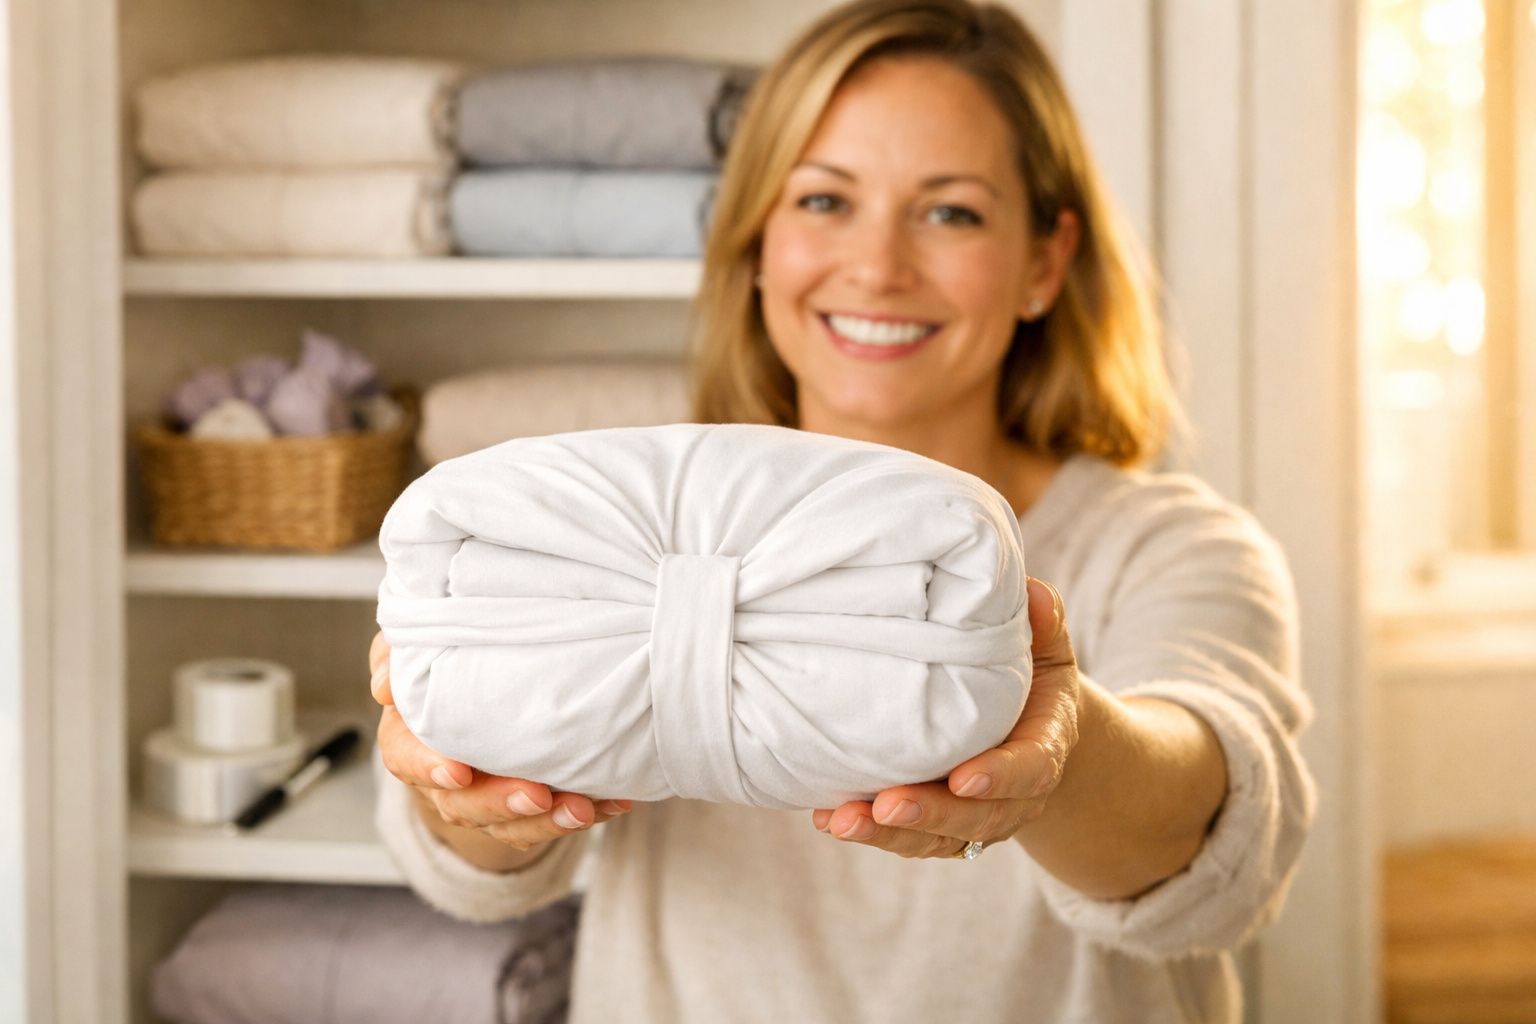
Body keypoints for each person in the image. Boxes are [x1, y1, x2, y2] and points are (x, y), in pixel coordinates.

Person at [368, 1, 1316, 1020]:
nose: (877, 267)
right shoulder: (632, 528)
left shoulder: (1167, 546)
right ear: (756, 240)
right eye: (825, 200)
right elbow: (463, 861)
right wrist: (471, 796)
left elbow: (1223, 852)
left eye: (950, 213)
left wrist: (1064, 752)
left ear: (1044, 262)